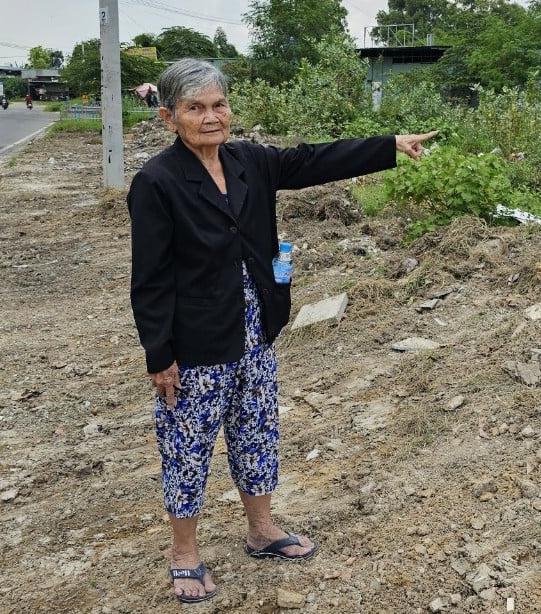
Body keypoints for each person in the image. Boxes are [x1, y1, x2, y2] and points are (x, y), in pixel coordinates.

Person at [126, 58, 436, 604]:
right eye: (195, 108)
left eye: (218, 104)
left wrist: (390, 144)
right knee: (187, 447)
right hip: (195, 341)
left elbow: (313, 160)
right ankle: (185, 555)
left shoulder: (250, 161)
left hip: (255, 330)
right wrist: (160, 354)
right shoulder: (157, 182)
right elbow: (149, 278)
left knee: (257, 429)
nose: (211, 116)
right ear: (170, 117)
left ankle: (261, 529)